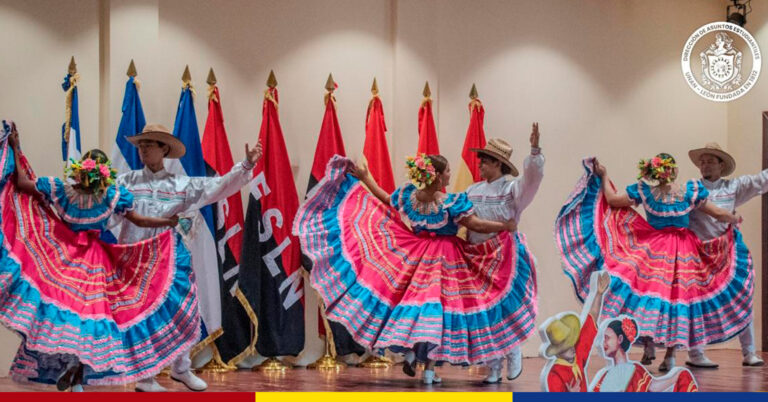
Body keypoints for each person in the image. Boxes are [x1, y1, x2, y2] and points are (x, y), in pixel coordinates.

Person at [0, 121, 198, 391]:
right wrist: (167, 223)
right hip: (95, 262)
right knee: (93, 318)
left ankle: (75, 372)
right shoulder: (109, 195)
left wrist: (15, 147)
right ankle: (78, 374)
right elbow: (138, 220)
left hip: (64, 258)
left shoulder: (63, 190)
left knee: (67, 315)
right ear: (104, 174)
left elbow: (22, 183)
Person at [294, 153, 523, 384]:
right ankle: (429, 369)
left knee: (412, 305)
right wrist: (505, 225)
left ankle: (414, 353)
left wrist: (366, 177)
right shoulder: (449, 202)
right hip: (446, 258)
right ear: (436, 176)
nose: (450, 174)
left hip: (418, 255)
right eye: (447, 171)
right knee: (439, 313)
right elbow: (474, 224)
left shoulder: (412, 198)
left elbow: (385, 198)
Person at [554, 153, 753, 372]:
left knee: (649, 297)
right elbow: (716, 212)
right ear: (673, 171)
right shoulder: (687, 192)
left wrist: (604, 175)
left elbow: (611, 200)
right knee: (676, 302)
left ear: (652, 172)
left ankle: (650, 344)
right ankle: (669, 355)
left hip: (653, 249)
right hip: (683, 252)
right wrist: (733, 218)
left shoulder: (647, 192)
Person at [111, 123, 261, 392]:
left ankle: (181, 368)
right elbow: (108, 212)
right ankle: (145, 376)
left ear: (163, 149)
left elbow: (216, 186)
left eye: (149, 144)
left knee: (183, 311)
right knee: (141, 317)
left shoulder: (181, 185)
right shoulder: (125, 182)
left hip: (169, 260)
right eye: (141, 145)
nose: (143, 149)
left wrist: (245, 166)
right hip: (135, 259)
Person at [465, 124, 543, 383]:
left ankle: (514, 349)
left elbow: (532, 181)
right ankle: (493, 366)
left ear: (498, 164)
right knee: (487, 311)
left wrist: (534, 151)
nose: (480, 166)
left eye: (484, 162)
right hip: (479, 255)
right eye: (480, 161)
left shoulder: (511, 189)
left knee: (506, 307)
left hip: (505, 254)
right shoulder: (472, 191)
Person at [682, 143, 765, 368]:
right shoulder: (692, 188)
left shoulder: (733, 187)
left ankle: (749, 352)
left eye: (710, 161)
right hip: (698, 253)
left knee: (742, 296)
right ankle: (696, 354)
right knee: (696, 302)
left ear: (721, 165)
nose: (705, 165)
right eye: (702, 161)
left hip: (728, 252)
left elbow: (761, 180)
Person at [590, 317, 698, 392]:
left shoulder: (634, 370)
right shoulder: (605, 375)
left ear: (620, 339)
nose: (603, 343)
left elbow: (654, 388)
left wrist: (678, 375)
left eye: (607, 338)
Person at [542, 272, 609, 392]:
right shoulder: (554, 374)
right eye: (567, 346)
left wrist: (599, 294)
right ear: (558, 351)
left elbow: (591, 320)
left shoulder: (577, 355)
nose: (572, 347)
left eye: (571, 342)